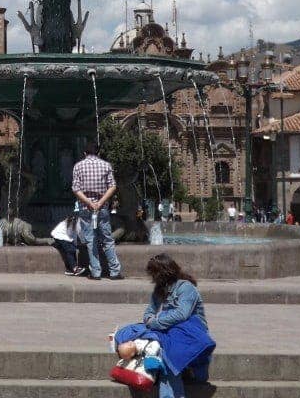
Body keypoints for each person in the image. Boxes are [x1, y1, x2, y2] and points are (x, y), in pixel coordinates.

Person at [115, 252, 213, 398]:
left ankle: (189, 372)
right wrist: (150, 320)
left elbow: (182, 314)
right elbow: (149, 311)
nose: (152, 278)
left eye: (154, 274)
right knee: (128, 332)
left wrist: (155, 322)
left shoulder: (186, 288)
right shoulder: (160, 289)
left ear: (163, 273)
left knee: (168, 356)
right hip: (170, 329)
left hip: (190, 332)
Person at [71, 141, 124, 280]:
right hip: (102, 208)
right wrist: (100, 202)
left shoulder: (78, 166)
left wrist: (88, 202)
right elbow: (112, 186)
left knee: (90, 240)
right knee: (107, 239)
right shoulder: (106, 165)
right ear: (98, 152)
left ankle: (95, 272)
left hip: (85, 208)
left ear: (84, 153)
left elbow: (76, 189)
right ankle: (114, 271)